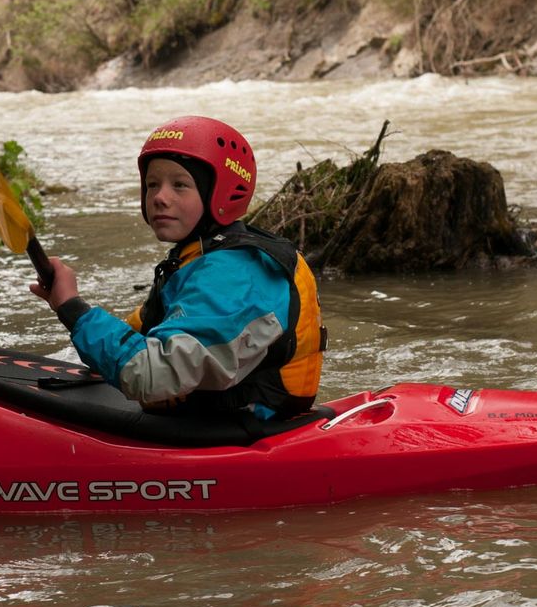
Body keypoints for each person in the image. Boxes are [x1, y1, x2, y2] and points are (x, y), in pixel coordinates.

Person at [31, 115, 325, 419]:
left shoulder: (236, 272)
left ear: (221, 193)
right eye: (152, 184)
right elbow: (137, 339)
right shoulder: (199, 257)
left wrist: (73, 307)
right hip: (213, 422)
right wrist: (70, 310)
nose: (159, 197)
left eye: (180, 185)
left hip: (239, 434)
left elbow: (150, 375)